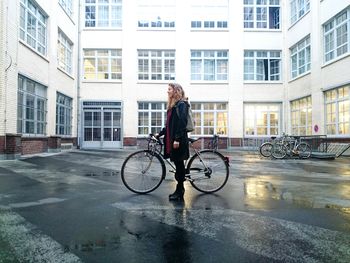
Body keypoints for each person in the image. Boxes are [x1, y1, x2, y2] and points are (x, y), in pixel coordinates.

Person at [156, 83, 190, 201]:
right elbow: (169, 125)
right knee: (178, 165)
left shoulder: (182, 104)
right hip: (172, 140)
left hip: (178, 141)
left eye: (169, 89)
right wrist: (160, 134)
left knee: (179, 166)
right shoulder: (173, 106)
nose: (168, 91)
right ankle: (179, 189)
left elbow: (182, 123)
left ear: (176, 91)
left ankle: (180, 191)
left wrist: (177, 139)